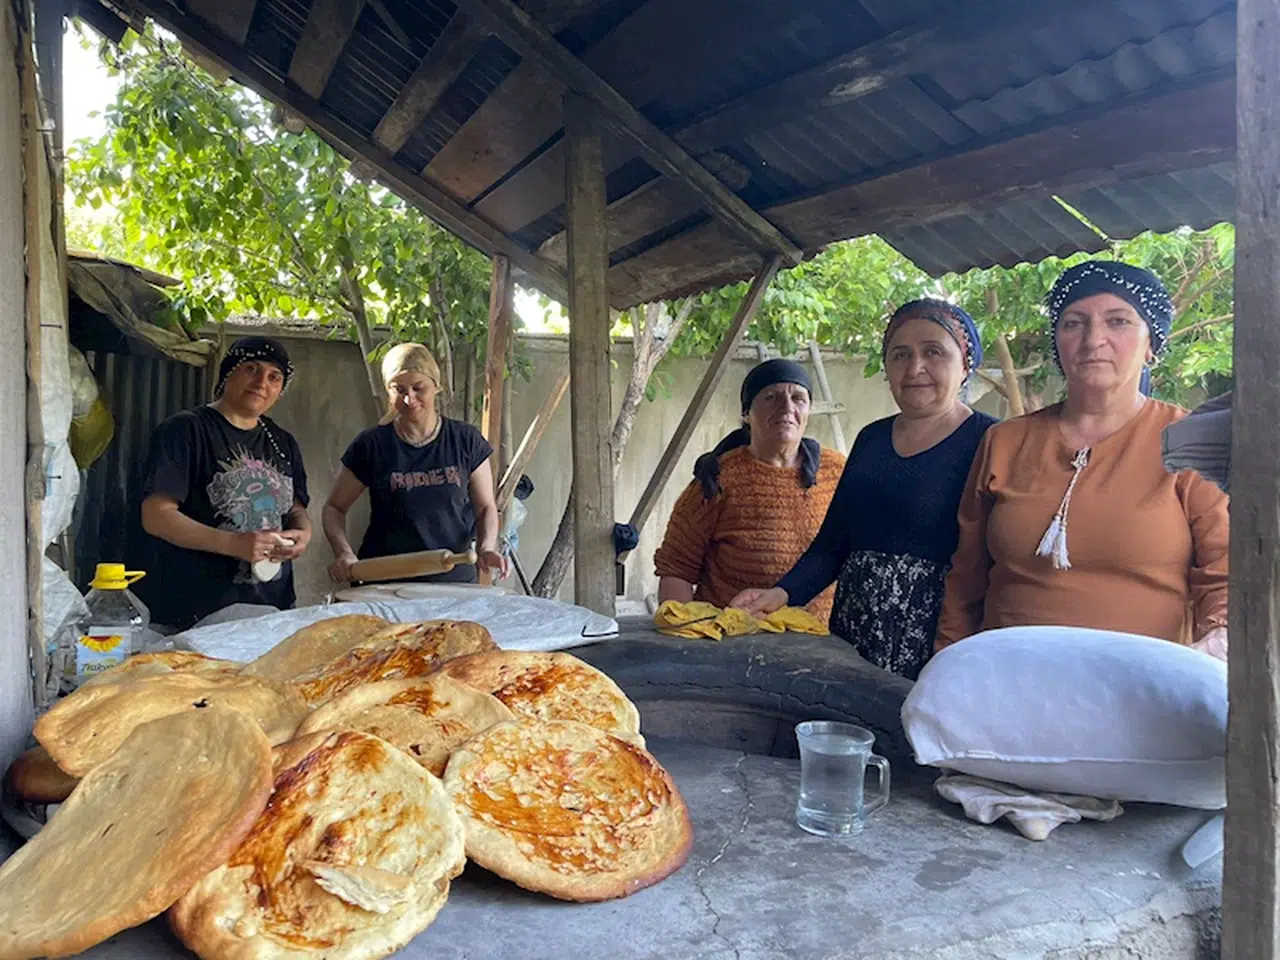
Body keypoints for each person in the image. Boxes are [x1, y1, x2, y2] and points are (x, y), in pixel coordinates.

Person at [935, 261, 1230, 661]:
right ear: (1057, 341)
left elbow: (1226, 577)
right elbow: (965, 580)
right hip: (1006, 682)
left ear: (1151, 345)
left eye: (1119, 321)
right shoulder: (1004, 441)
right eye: (1074, 323)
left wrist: (1214, 650)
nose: (1094, 339)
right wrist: (948, 664)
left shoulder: (1191, 442)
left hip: (1141, 690)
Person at [731, 300, 997, 679]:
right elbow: (833, 544)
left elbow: (999, 562)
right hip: (853, 638)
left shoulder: (991, 441)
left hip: (941, 647)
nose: (915, 367)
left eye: (933, 351)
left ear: (966, 363)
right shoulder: (871, 439)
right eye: (900, 354)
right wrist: (779, 594)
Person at [138, 336, 311, 631]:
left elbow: (295, 507)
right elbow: (156, 516)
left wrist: (303, 533)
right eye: (251, 369)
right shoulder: (185, 430)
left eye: (274, 377)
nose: (261, 382)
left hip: (271, 610)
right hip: (195, 615)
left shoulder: (283, 442)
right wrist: (233, 544)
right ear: (228, 372)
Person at [653, 359, 845, 624]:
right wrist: (691, 638)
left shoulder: (838, 472)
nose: (787, 408)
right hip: (733, 645)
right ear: (746, 413)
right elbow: (676, 569)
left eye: (798, 399)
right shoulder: (717, 479)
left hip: (822, 643)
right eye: (771, 397)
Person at [324, 343, 507, 585]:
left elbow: (485, 508)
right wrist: (344, 552)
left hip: (452, 580)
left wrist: (486, 547)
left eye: (418, 388)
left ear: (435, 386)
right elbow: (334, 508)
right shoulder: (372, 445)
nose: (409, 399)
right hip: (384, 581)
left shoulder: (465, 440)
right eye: (398, 389)